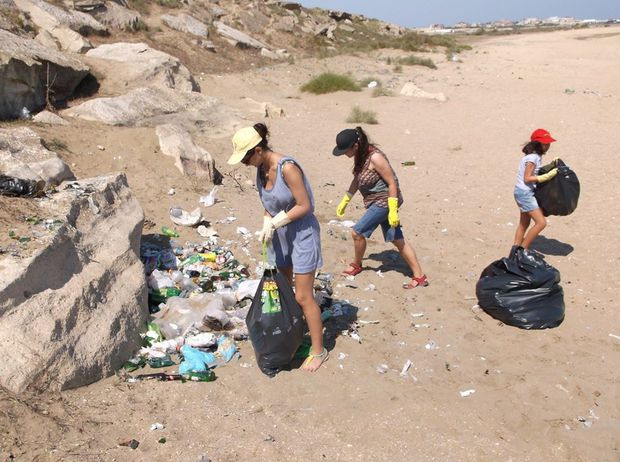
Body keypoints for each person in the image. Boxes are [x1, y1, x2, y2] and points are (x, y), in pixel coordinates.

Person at [228, 123, 327, 372]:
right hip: (279, 237)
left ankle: (318, 350)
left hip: (302, 234)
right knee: (283, 293)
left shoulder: (288, 168)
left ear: (258, 150)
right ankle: (293, 336)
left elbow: (305, 205)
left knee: (303, 296)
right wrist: (266, 222)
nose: (244, 163)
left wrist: (277, 221)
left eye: (246, 157)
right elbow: (270, 203)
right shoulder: (261, 170)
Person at [332, 127, 429, 289]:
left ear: (355, 146)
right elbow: (358, 178)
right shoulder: (360, 156)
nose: (344, 154)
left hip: (384, 201)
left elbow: (392, 183)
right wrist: (346, 199)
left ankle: (356, 264)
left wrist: (391, 210)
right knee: (397, 239)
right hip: (374, 201)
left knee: (357, 232)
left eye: (345, 150)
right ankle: (419, 276)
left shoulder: (375, 157)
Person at [513, 128, 559, 250]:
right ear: (537, 144)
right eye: (545, 143)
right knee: (541, 223)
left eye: (549, 143)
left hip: (521, 192)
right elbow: (527, 178)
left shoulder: (533, 156)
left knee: (524, 223)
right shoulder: (533, 158)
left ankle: (515, 250)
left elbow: (533, 172)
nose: (548, 146)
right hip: (525, 193)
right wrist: (546, 177)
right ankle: (523, 249)